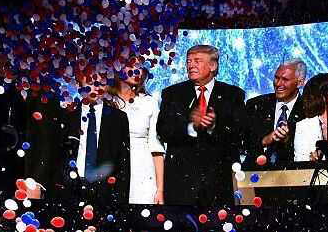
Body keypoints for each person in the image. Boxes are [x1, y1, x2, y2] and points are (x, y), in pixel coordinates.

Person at [156, 44, 246, 206]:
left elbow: (239, 132)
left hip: (218, 180)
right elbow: (164, 130)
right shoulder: (172, 94)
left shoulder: (233, 95)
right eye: (188, 61)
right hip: (182, 182)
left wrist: (213, 126)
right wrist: (191, 126)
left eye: (197, 61)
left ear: (213, 65)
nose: (191, 65)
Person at [24, 74, 130, 206]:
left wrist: (121, 202)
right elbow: (51, 152)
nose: (96, 86)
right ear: (80, 83)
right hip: (67, 188)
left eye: (102, 81)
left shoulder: (118, 118)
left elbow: (123, 162)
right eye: (91, 80)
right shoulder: (67, 114)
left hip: (103, 191)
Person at [106, 61, 165, 205]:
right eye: (131, 65)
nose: (137, 71)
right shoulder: (105, 101)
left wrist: (160, 189)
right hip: (111, 168)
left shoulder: (149, 103)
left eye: (140, 67)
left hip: (143, 171)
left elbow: (156, 148)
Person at [243, 60, 307, 168]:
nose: (278, 84)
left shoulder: (308, 110)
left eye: (285, 79)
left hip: (293, 175)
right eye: (276, 78)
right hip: (255, 175)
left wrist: (288, 140)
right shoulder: (255, 105)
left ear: (300, 82)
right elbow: (243, 143)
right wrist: (264, 141)